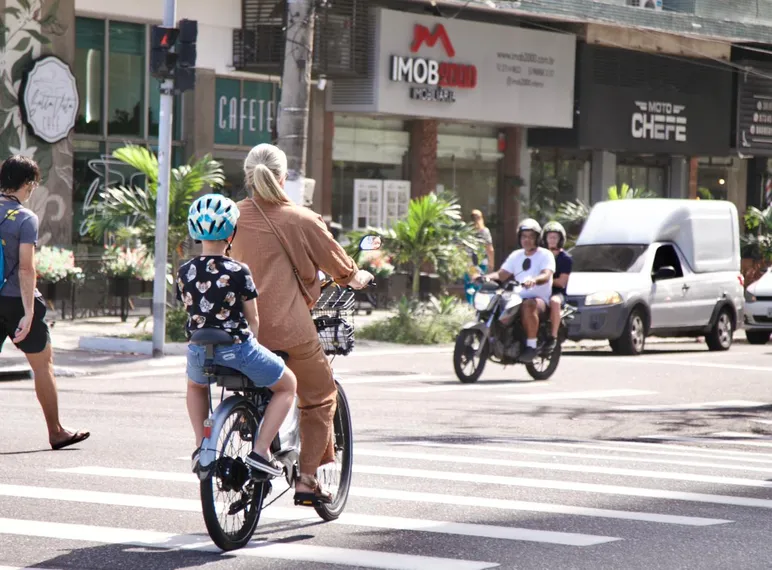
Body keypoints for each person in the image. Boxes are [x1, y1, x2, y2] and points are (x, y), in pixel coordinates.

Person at [229, 143, 373, 507]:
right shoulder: (303, 220)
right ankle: (308, 480)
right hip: (289, 331)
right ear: (282, 177)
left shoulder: (230, 217)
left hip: (241, 332)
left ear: (248, 175)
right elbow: (343, 270)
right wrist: (359, 277)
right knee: (321, 395)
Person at [179, 193, 297, 478]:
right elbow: (252, 319)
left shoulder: (184, 271)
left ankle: (202, 445)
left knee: (195, 386)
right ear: (232, 232)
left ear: (194, 231)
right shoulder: (238, 270)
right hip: (237, 349)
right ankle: (260, 451)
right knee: (288, 385)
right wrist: (252, 346)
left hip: (198, 350)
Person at [0, 155, 90, 450]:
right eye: (33, 185)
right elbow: (26, 268)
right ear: (26, 184)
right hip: (15, 301)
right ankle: (56, 431)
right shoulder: (25, 218)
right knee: (43, 365)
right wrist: (28, 313)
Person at [479, 218, 555, 363]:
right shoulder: (516, 255)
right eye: (524, 236)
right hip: (516, 297)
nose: (527, 240)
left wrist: (534, 280)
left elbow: (546, 274)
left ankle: (531, 346)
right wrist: (485, 277)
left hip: (538, 299)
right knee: (496, 303)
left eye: (531, 237)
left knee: (528, 304)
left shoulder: (545, 255)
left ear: (537, 238)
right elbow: (502, 275)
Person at [541, 221, 572, 352]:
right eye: (550, 237)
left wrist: (544, 279)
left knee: (554, 302)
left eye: (555, 237)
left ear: (560, 239)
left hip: (556, 292)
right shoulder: (540, 255)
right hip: (539, 290)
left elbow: (561, 282)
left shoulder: (566, 258)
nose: (552, 240)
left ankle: (553, 338)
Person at [463, 209, 495, 304]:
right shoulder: (484, 231)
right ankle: (479, 306)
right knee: (481, 285)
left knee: (470, 285)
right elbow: (490, 249)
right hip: (482, 263)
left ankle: (471, 305)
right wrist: (491, 265)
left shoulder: (465, 231)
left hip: (469, 263)